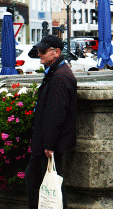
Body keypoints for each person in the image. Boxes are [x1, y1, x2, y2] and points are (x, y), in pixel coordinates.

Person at [25, 35, 77, 209]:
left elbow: (56, 113)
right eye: (39, 51)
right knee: (39, 183)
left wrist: (49, 144)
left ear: (57, 53)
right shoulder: (56, 72)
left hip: (49, 143)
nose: (39, 54)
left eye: (43, 51)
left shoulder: (60, 76)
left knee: (47, 186)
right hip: (46, 141)